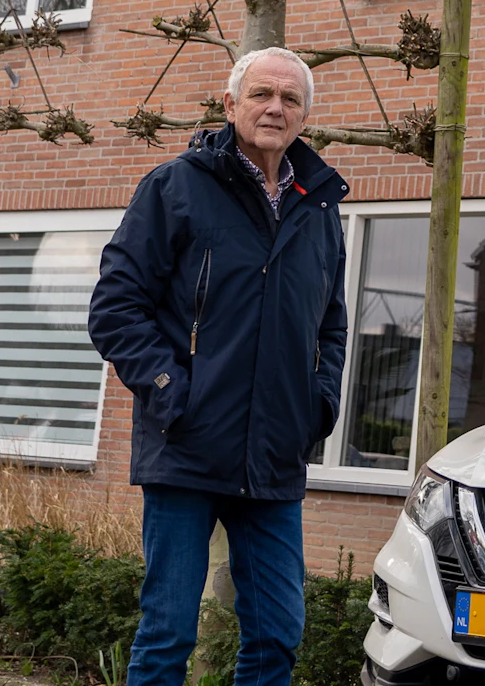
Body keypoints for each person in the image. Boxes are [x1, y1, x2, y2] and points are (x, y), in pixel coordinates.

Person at [89, 47, 350, 686]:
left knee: (277, 635)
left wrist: (318, 405)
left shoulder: (318, 205)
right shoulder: (174, 186)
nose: (275, 108)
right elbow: (116, 307)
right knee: (167, 634)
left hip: (276, 455)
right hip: (187, 447)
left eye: (290, 99)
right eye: (262, 94)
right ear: (230, 104)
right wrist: (170, 391)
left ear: (305, 116)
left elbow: (332, 324)